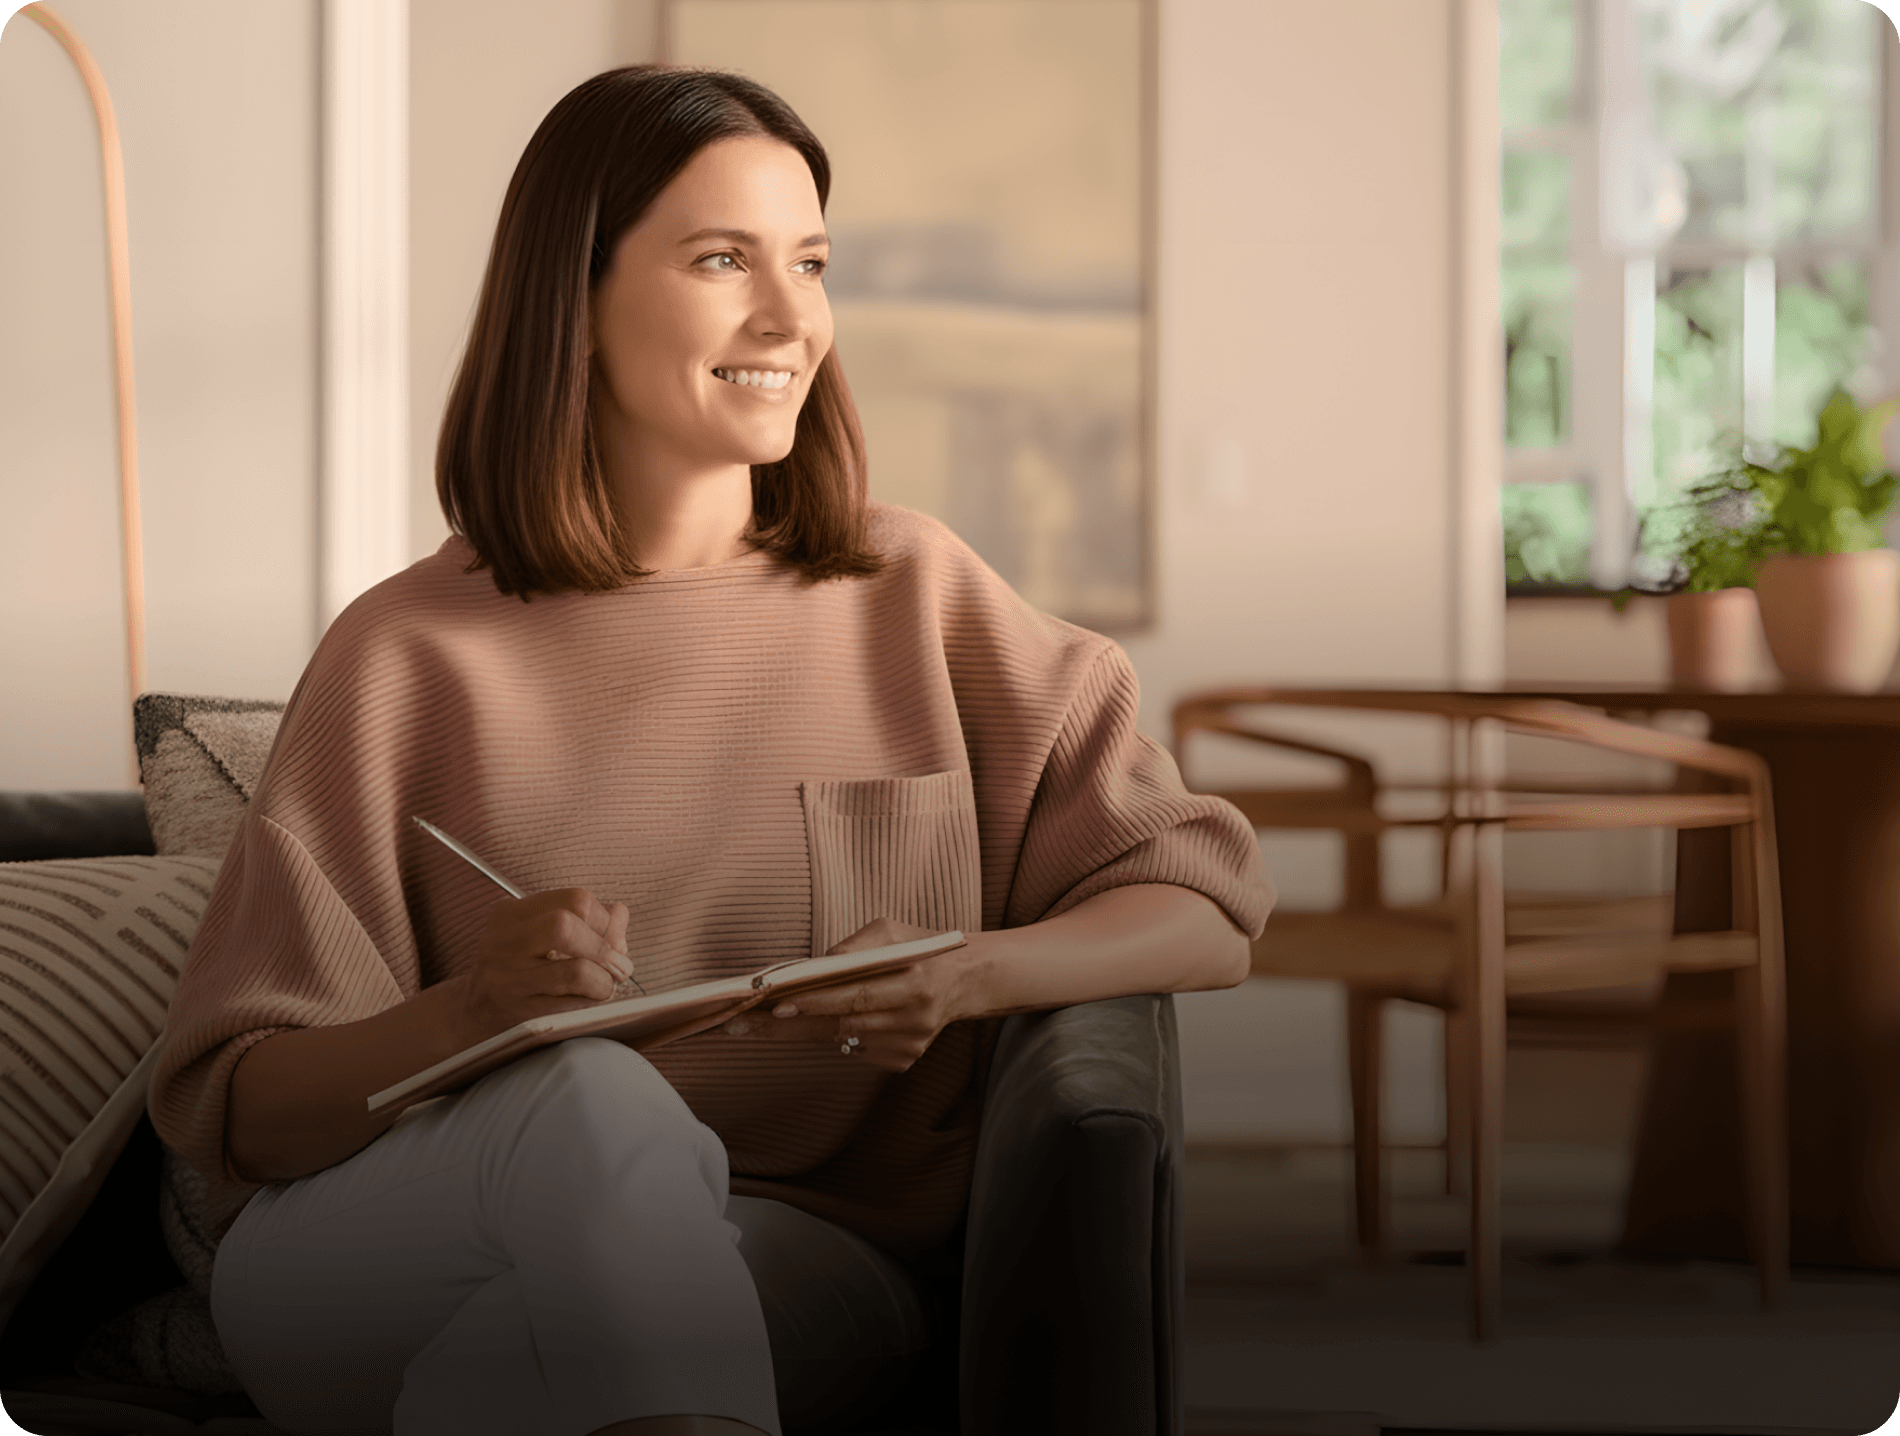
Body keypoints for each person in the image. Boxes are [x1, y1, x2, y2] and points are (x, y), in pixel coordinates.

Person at [149, 64, 1273, 1436]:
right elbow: (244, 1117)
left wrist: (969, 972)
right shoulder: (403, 654)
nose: (790, 316)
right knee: (587, 1099)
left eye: (810, 262)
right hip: (366, 1261)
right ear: (577, 299)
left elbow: (1205, 907)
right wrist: (476, 1016)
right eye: (722, 259)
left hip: (791, 1248)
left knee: (515, 1379)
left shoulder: (922, 599)